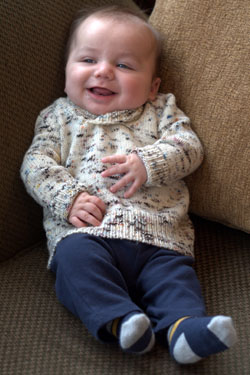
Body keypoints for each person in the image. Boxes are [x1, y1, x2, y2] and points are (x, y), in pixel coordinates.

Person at [21, 5, 237, 364]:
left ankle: (184, 329)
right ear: (65, 75)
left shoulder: (162, 110)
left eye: (123, 65)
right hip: (86, 235)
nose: (103, 71)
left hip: (160, 239)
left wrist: (149, 162)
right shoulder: (58, 116)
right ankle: (121, 321)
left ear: (153, 86)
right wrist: (69, 197)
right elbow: (35, 164)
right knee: (75, 266)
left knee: (175, 282)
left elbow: (189, 148)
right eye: (88, 59)